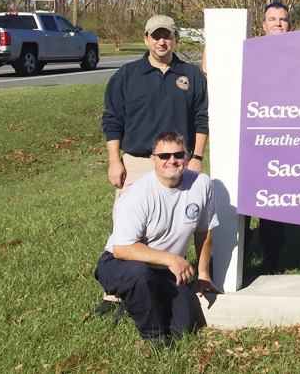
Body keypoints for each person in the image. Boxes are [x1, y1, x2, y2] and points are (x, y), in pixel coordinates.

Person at [99, 14, 208, 314]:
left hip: (177, 162)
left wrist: (195, 157)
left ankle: (168, 280)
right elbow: (113, 120)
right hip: (136, 161)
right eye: (156, 36)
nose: (162, 41)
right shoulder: (127, 75)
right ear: (146, 39)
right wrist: (114, 161)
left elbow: (201, 119)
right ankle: (117, 290)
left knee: (173, 223)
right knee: (128, 228)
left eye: (168, 35)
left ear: (176, 39)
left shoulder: (191, 76)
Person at [94, 131, 221, 348]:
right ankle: (153, 336)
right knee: (138, 274)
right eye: (164, 156)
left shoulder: (202, 184)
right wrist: (171, 258)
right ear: (153, 160)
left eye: (178, 154)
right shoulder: (137, 195)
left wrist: (203, 274)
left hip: (163, 268)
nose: (172, 160)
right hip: (120, 263)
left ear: (188, 156)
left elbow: (204, 231)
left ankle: (136, 303)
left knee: (183, 328)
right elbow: (121, 249)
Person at [202, 2, 290, 274]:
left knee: (273, 207)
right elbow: (209, 68)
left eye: (283, 20)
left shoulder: (299, 53)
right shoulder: (247, 51)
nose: (278, 23)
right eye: (272, 19)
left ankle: (271, 260)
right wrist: (213, 37)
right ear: (262, 25)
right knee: (240, 203)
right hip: (245, 141)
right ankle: (239, 258)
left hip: (281, 143)